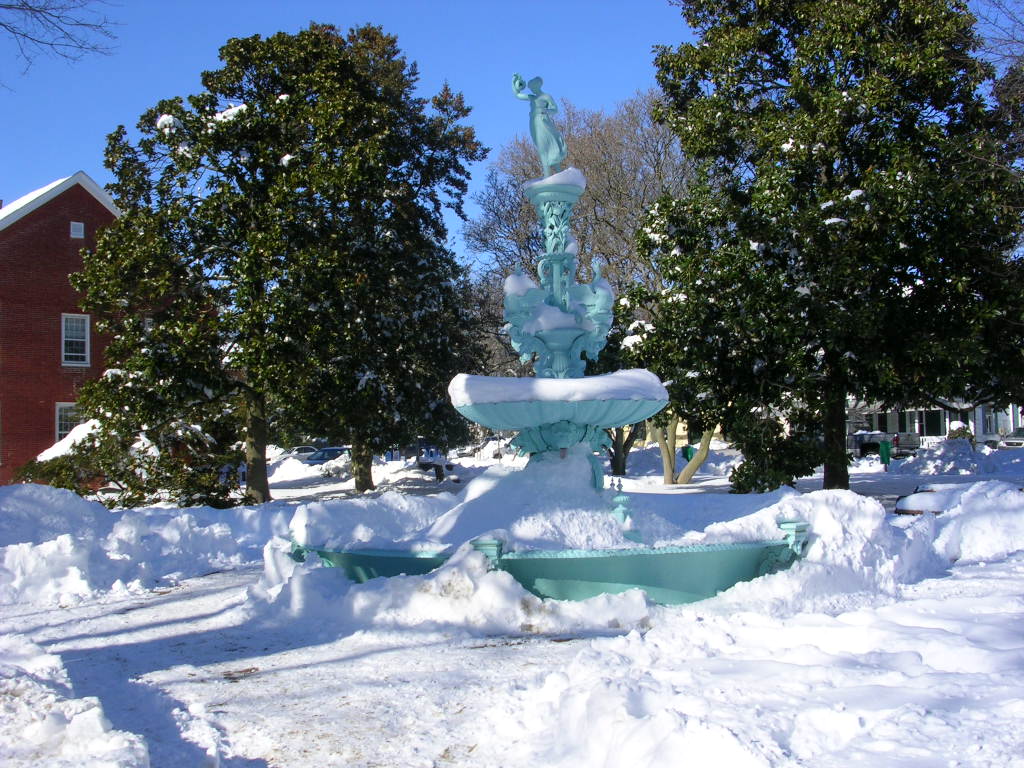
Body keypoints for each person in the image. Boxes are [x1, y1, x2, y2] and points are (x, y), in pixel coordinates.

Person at [512, 73, 568, 176]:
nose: (531, 89)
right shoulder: (532, 97)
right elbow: (517, 95)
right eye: (530, 87)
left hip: (543, 121)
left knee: (546, 144)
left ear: (538, 85)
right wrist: (514, 82)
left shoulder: (546, 96)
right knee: (540, 145)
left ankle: (550, 174)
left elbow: (555, 109)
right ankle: (555, 173)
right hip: (534, 122)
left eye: (532, 87)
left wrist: (546, 111)